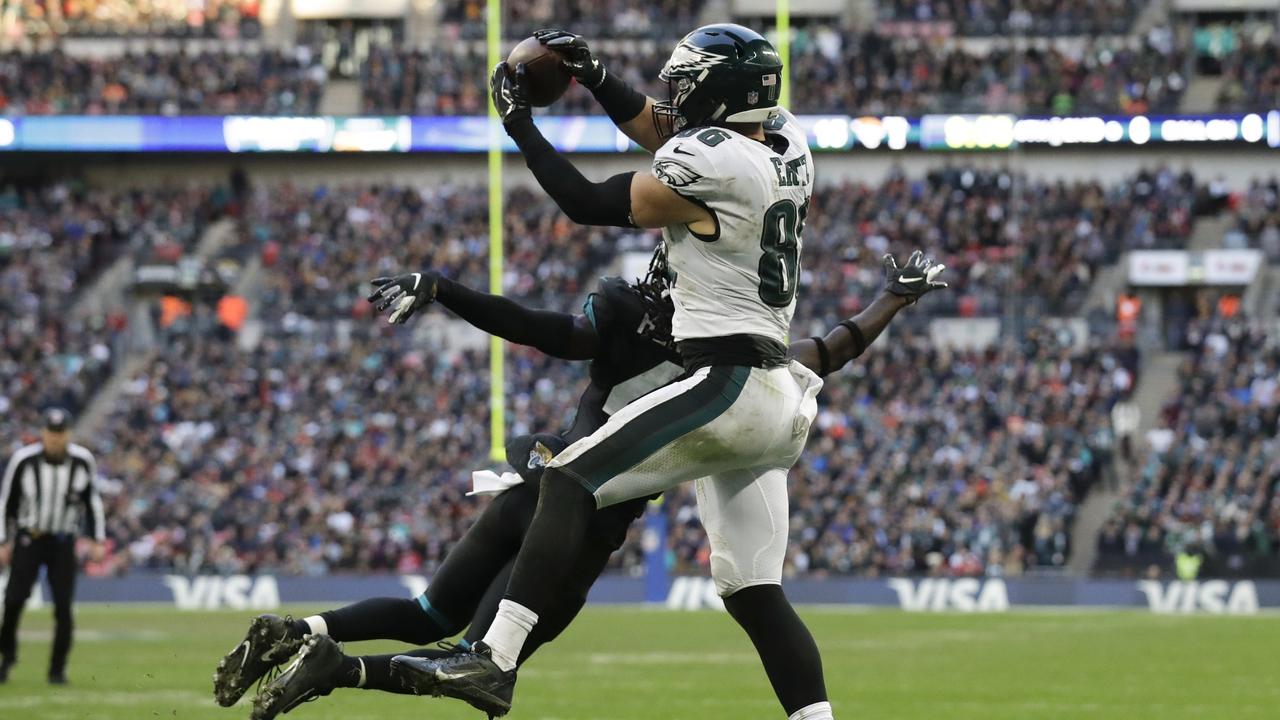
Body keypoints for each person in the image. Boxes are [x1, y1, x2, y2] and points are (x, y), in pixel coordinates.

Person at [397, 25, 942, 720]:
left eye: (688, 83)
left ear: (718, 91)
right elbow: (676, 134)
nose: (674, 96)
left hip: (726, 384)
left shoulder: (708, 166)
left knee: (568, 479)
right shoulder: (786, 141)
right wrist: (596, 77)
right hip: (782, 392)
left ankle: (493, 658)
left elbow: (589, 203)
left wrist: (521, 126)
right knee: (755, 593)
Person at [217, 246, 944, 719]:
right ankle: (333, 667)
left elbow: (542, 328)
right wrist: (894, 299)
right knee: (477, 666)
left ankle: (303, 630)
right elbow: (831, 347)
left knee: (432, 612)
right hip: (575, 523)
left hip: (531, 489)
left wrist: (443, 287)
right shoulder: (724, 351)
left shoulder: (659, 322)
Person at [0, 408, 105, 685]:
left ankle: (57, 670)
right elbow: (5, 504)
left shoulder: (82, 461)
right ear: (43, 433)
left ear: (68, 434)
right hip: (29, 539)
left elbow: (92, 503)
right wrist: (2, 541)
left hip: (62, 542)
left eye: (61, 433)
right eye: (51, 433)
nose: (56, 439)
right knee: (12, 601)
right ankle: (6, 657)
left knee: (63, 608)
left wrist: (96, 539)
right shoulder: (24, 460)